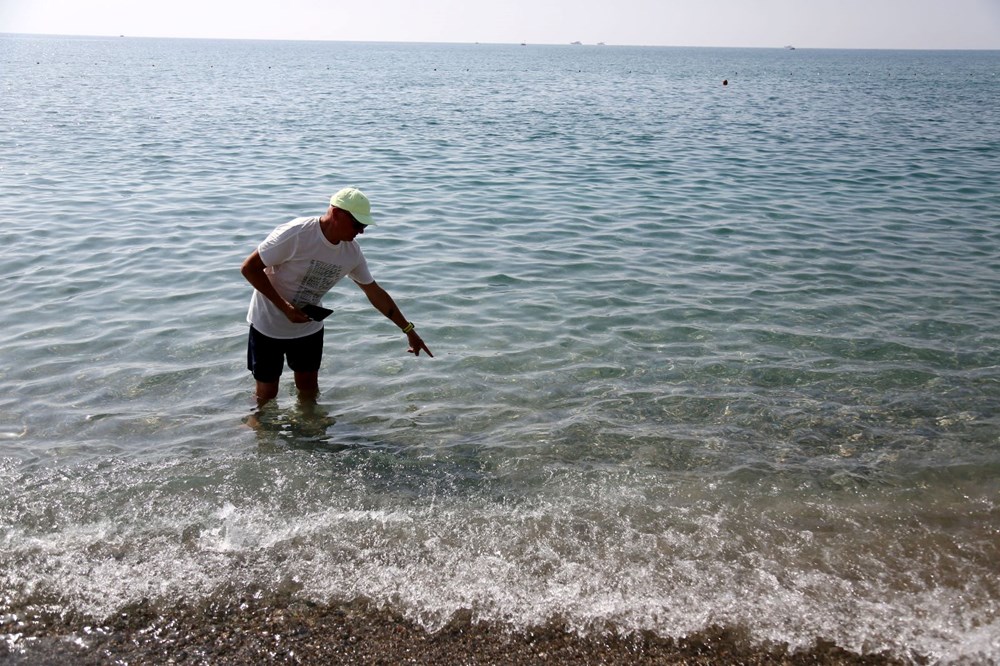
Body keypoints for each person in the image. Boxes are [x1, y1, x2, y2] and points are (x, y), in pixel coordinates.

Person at [241, 187, 432, 405]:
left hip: (308, 327)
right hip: (268, 326)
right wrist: (285, 308)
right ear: (337, 213)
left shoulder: (352, 253)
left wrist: (408, 330)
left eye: (365, 225)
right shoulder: (296, 233)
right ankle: (260, 433)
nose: (361, 231)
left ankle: (310, 433)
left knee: (309, 391)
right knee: (267, 394)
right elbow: (249, 268)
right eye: (357, 224)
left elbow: (374, 292)